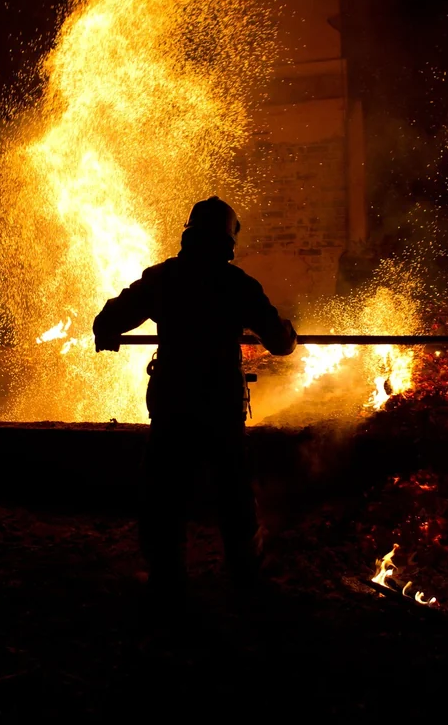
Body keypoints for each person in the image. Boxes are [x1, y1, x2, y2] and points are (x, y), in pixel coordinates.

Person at [93, 196, 297, 598]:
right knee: (234, 494)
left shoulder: (163, 278)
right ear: (228, 240)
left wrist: (108, 332)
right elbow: (279, 341)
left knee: (164, 493)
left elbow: (110, 318)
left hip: (174, 401)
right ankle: (245, 578)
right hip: (221, 403)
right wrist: (290, 334)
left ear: (189, 234)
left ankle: (166, 580)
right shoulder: (236, 285)